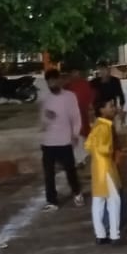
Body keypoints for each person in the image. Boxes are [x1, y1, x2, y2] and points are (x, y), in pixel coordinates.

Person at [37, 69, 84, 210]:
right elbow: (42, 120)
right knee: (49, 173)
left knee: (70, 170)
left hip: (64, 140)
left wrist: (75, 134)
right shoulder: (45, 98)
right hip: (48, 141)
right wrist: (47, 117)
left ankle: (77, 193)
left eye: (54, 80)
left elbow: (76, 117)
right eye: (49, 82)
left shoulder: (69, 96)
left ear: (59, 80)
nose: (52, 84)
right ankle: (52, 201)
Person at [87, 94, 124, 245]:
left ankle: (100, 234)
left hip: (97, 168)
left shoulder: (97, 125)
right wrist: (111, 149)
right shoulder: (105, 126)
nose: (114, 109)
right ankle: (114, 235)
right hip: (106, 168)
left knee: (98, 201)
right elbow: (104, 148)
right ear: (102, 109)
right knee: (114, 201)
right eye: (111, 106)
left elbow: (88, 145)